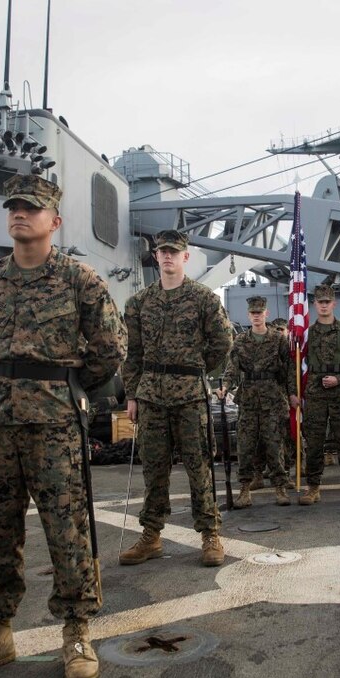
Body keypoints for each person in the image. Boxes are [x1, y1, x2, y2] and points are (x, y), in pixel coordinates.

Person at [0, 174, 128, 678]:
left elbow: (111, 349)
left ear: (55, 220)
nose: (19, 214)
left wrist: (71, 387)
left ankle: (75, 632)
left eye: (31, 207)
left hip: (53, 424)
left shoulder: (79, 281)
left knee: (66, 530)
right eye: (14, 207)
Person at [118, 230, 233, 568]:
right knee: (153, 469)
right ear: (156, 256)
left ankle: (210, 534)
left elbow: (223, 343)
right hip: (152, 395)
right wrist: (133, 394)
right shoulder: (138, 303)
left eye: (174, 251)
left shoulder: (204, 299)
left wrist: (195, 369)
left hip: (189, 396)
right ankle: (151, 536)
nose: (167, 256)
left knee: (199, 468)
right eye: (162, 251)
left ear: (185, 257)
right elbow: (133, 354)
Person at [216, 296, 295, 507]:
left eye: (260, 312)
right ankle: (244, 490)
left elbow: (289, 370)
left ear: (266, 314)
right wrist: (225, 386)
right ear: (249, 315)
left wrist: (292, 394)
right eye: (253, 313)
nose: (257, 316)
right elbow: (232, 368)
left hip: (272, 398)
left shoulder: (278, 340)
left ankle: (280, 487)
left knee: (274, 444)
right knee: (245, 446)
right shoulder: (241, 340)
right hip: (249, 398)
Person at [291, 283, 340, 505]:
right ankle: (313, 487)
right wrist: (295, 392)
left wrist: (339, 378)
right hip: (314, 392)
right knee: (314, 441)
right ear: (314, 304)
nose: (323, 305)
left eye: (327, 302)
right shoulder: (305, 334)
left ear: (334, 303)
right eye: (320, 302)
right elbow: (294, 364)